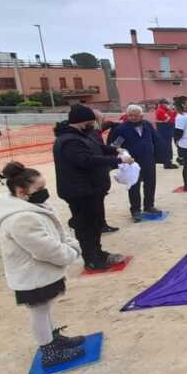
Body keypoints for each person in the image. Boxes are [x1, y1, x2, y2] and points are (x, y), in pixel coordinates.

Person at [0, 161, 87, 368]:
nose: (44, 192)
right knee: (39, 311)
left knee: (46, 308)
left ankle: (52, 338)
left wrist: (71, 245)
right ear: (21, 192)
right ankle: (48, 350)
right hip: (33, 275)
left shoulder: (33, 206)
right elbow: (45, 248)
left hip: (41, 272)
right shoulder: (21, 218)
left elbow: (58, 232)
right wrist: (70, 253)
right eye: (40, 188)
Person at [53, 104, 131, 270]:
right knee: (86, 226)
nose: (93, 125)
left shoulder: (83, 135)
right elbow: (86, 161)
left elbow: (97, 148)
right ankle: (91, 259)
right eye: (90, 122)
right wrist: (118, 160)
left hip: (92, 188)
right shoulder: (69, 141)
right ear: (81, 122)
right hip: (79, 191)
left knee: (95, 224)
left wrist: (115, 150)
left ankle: (98, 252)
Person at [107, 105, 162, 221]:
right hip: (132, 162)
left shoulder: (147, 125)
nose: (132, 117)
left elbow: (155, 139)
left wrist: (158, 155)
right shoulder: (121, 129)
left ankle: (149, 206)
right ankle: (135, 210)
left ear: (141, 116)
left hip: (148, 159)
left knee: (150, 183)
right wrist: (121, 154)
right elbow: (115, 146)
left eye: (135, 115)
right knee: (134, 185)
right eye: (130, 115)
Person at [154, 100, 179, 169]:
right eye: (166, 104)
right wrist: (171, 113)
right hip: (164, 131)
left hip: (167, 131)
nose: (168, 105)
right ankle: (167, 163)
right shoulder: (160, 111)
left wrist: (174, 112)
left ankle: (168, 162)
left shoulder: (165, 110)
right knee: (166, 148)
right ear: (162, 104)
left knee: (168, 147)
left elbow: (172, 117)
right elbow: (169, 120)